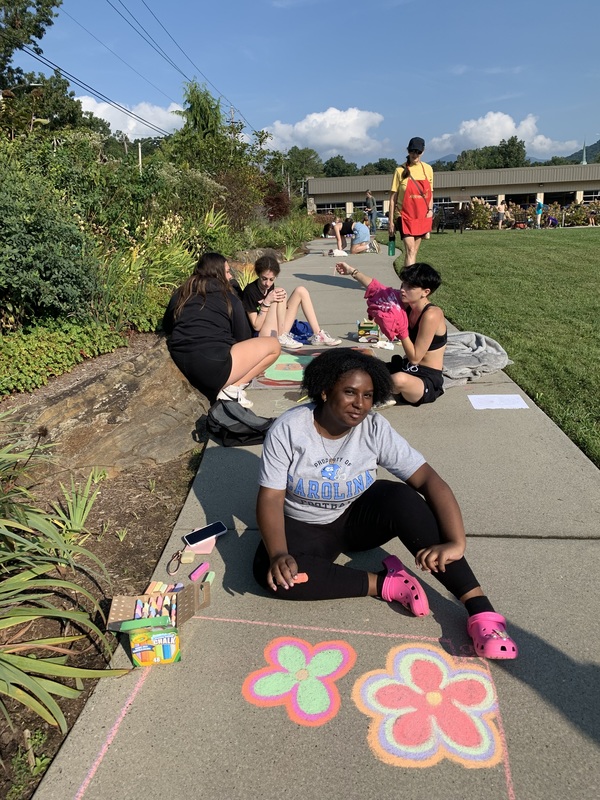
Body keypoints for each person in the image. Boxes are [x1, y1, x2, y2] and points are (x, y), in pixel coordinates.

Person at [252, 349, 518, 660]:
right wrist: (280, 553)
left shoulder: (374, 428)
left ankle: (482, 613)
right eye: (349, 392)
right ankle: (385, 583)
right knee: (271, 575)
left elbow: (430, 481)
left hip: (356, 519)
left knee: (401, 497)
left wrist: (456, 542)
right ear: (325, 391)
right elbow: (270, 497)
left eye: (368, 395)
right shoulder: (290, 429)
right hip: (304, 526)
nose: (360, 404)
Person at [162, 252, 280, 409]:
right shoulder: (230, 298)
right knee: (274, 346)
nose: (230, 276)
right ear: (217, 273)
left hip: (182, 358)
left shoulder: (182, 293)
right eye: (227, 271)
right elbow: (243, 337)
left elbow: (167, 326)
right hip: (214, 367)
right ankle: (232, 389)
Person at [335, 261, 446, 406]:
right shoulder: (407, 302)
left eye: (410, 287)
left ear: (426, 292)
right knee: (358, 364)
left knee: (398, 379)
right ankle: (383, 393)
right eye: (403, 284)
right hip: (405, 367)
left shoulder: (431, 314)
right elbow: (377, 289)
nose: (403, 290)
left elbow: (415, 358)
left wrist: (401, 329)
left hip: (425, 378)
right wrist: (352, 271)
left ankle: (379, 394)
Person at [241, 253, 341, 349]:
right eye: (264, 279)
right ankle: (281, 336)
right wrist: (266, 303)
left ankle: (318, 335)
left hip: (276, 327)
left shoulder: (269, 287)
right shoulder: (250, 291)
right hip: (263, 334)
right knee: (279, 293)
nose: (267, 283)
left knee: (301, 291)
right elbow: (256, 326)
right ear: (258, 274)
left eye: (271, 279)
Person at [389, 137, 434, 270]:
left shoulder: (428, 169)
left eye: (418, 152)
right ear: (408, 151)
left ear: (423, 151)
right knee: (410, 250)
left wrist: (430, 211)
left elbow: (430, 194)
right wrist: (391, 221)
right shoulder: (399, 171)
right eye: (412, 151)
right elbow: (392, 199)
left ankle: (407, 282)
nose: (415, 154)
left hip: (421, 216)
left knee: (414, 251)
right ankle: (410, 282)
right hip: (404, 216)